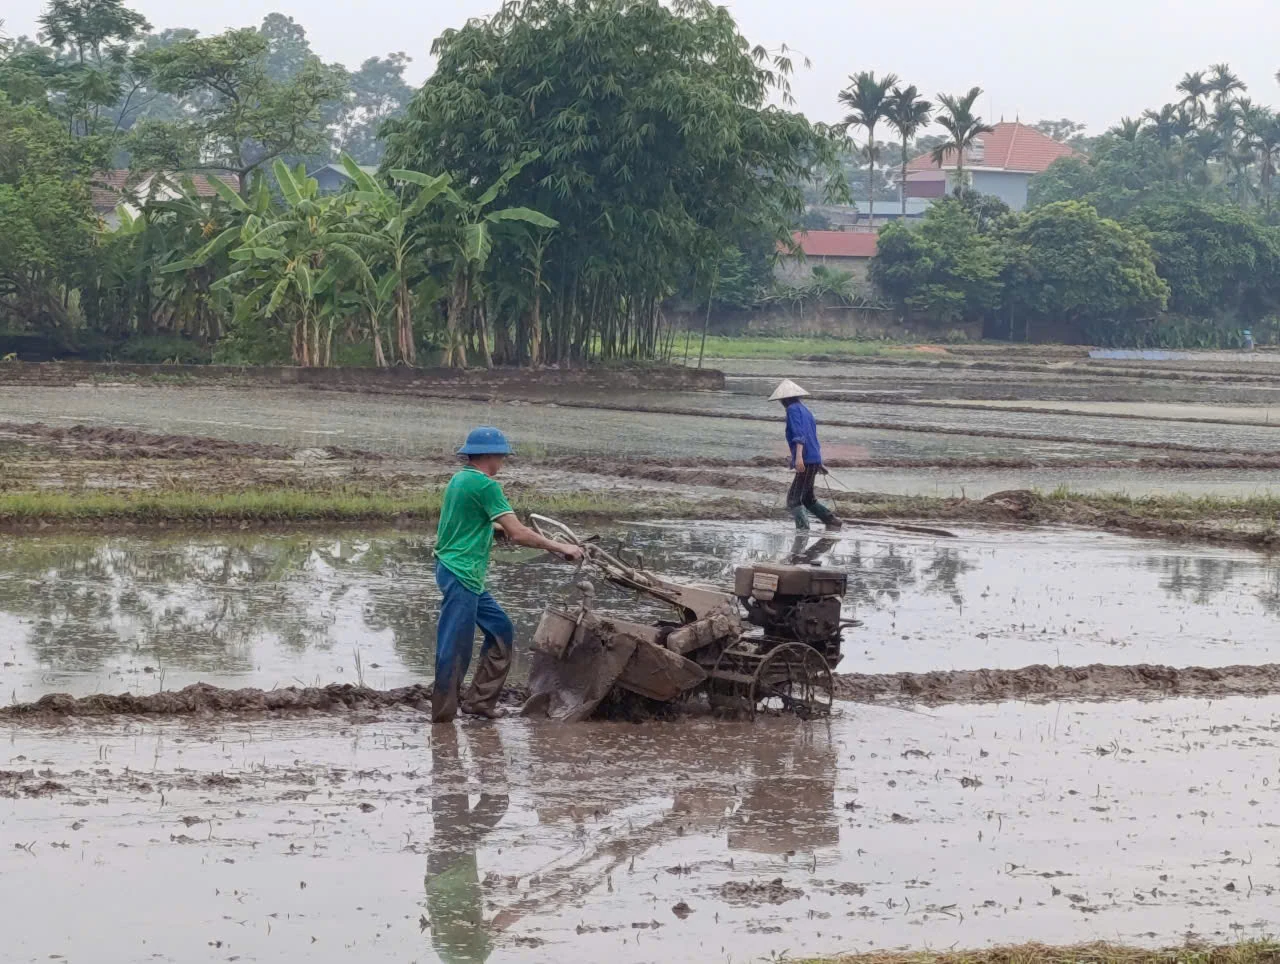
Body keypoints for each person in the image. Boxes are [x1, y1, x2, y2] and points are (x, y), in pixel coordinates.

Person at [432, 426, 583, 724]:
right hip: (461, 572)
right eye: (502, 456)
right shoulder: (487, 486)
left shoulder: (460, 479)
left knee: (501, 630)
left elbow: (471, 521)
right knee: (455, 645)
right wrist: (561, 547)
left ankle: (479, 702)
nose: (502, 462)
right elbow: (518, 533)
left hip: (460, 571)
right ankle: (442, 716)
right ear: (491, 455)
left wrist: (493, 529)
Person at [770, 380, 842, 532]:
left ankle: (803, 531)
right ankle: (832, 522)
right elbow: (812, 437)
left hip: (806, 459)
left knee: (793, 500)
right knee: (808, 499)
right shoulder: (805, 410)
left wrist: (799, 458)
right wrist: (818, 462)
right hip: (813, 458)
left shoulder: (792, 410)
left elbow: (800, 435)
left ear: (784, 399)